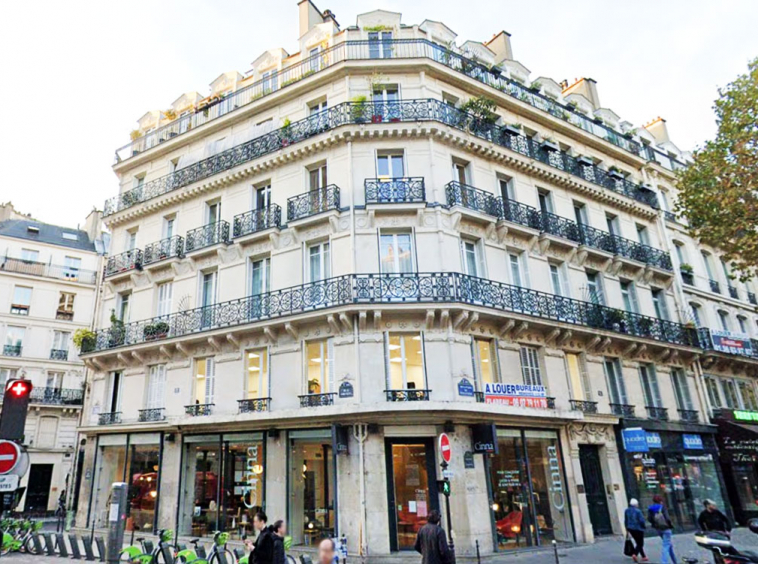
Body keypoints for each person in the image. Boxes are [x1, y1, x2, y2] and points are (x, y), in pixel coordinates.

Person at [648, 495, 676, 564]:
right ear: (661, 501)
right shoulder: (662, 507)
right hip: (666, 528)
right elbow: (667, 518)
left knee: (669, 544)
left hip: (658, 528)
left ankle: (674, 561)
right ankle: (664, 562)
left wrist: (654, 523)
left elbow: (649, 519)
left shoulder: (650, 508)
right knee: (666, 545)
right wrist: (670, 525)